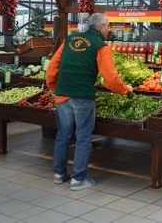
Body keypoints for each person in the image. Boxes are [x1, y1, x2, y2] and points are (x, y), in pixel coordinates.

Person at [46, 13, 133, 191]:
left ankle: (59, 174)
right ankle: (78, 178)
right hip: (83, 96)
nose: (108, 30)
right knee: (83, 138)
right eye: (107, 26)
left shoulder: (69, 40)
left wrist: (54, 87)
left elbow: (52, 67)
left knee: (63, 136)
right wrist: (125, 90)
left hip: (63, 95)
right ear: (101, 27)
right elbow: (110, 79)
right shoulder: (100, 45)